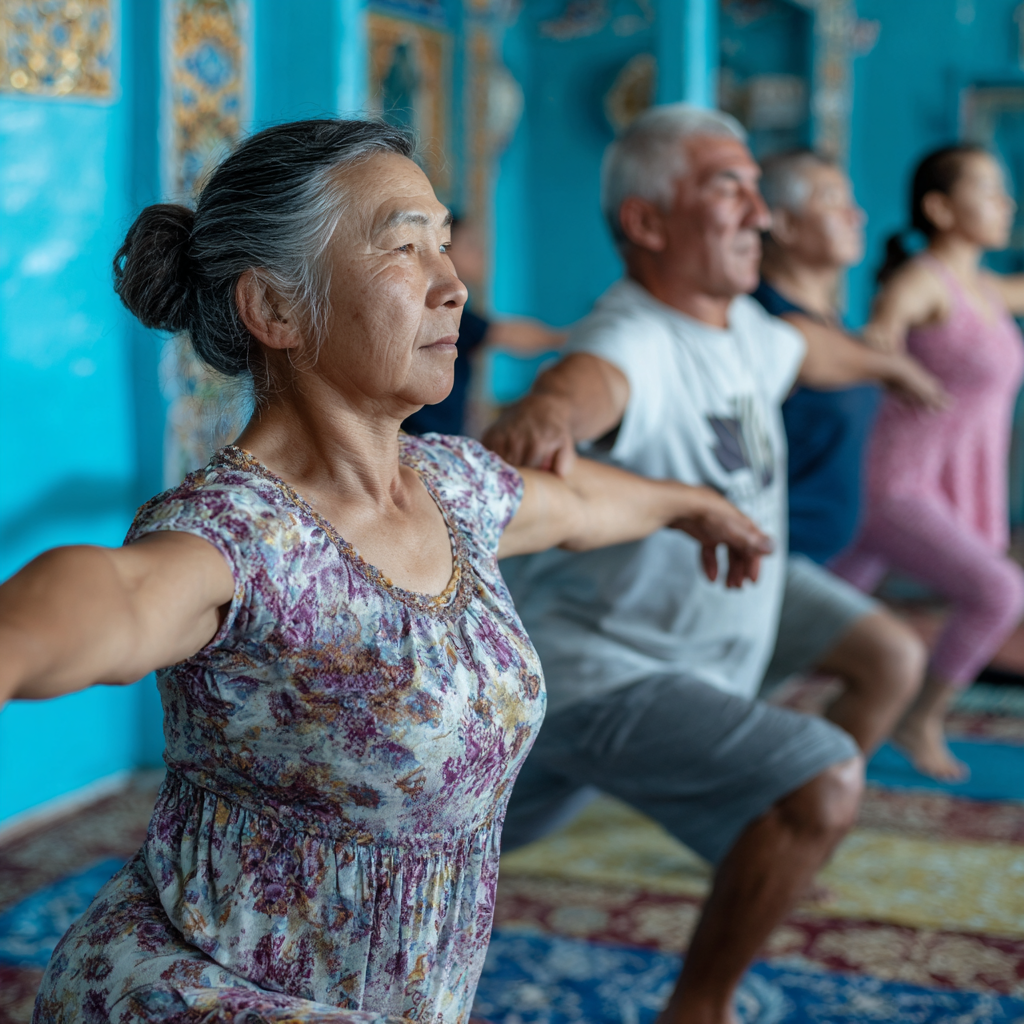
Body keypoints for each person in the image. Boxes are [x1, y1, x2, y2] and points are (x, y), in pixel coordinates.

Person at [0, 119, 775, 1024]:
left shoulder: (449, 487)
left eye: (445, 245)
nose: (454, 285)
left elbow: (578, 503)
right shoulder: (240, 536)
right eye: (406, 248)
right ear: (276, 310)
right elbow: (120, 596)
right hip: (202, 995)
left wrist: (692, 504)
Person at [483, 104, 944, 1024]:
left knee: (888, 657)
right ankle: (698, 1007)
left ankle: (753, 828)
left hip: (710, 631)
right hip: (597, 668)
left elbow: (804, 350)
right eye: (727, 187)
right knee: (815, 776)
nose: (760, 214)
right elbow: (584, 382)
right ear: (648, 223)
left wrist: (886, 367)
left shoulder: (745, 333)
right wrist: (543, 417)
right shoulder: (633, 337)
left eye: (757, 192)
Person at [831, 144, 1024, 781]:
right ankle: (918, 717)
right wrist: (891, 361)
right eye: (988, 189)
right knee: (1001, 591)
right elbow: (879, 334)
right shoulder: (922, 281)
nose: (1007, 201)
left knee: (807, 623)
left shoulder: (989, 289)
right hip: (898, 483)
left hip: (947, 484)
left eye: (1005, 189)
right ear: (940, 208)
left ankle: (797, 725)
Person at [753, 151, 881, 564]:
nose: (856, 215)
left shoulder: (831, 319)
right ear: (785, 224)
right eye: (832, 201)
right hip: (777, 555)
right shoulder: (762, 319)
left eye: (852, 201)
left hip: (831, 555)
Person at [402, 215, 565, 436]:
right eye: (469, 245)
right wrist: (565, 340)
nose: (481, 254)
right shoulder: (442, 311)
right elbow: (506, 334)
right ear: (442, 251)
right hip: (424, 434)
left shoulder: (457, 312)